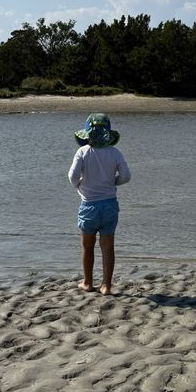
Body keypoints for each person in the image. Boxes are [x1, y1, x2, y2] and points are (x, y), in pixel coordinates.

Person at [68, 113, 131, 295]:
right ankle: (106, 286)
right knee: (108, 247)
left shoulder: (83, 152)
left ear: (87, 133)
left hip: (89, 205)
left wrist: (79, 184)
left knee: (87, 246)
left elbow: (72, 176)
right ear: (108, 132)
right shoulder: (115, 152)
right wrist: (113, 183)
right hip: (110, 204)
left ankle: (87, 282)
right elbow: (126, 176)